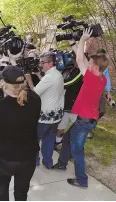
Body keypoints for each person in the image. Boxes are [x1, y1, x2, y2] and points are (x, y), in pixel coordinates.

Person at [53, 29, 109, 188]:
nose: (88, 63)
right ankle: (62, 164)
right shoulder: (102, 78)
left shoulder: (92, 79)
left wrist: (83, 39)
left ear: (96, 67)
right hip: (85, 120)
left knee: (77, 151)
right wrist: (73, 43)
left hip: (84, 122)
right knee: (66, 139)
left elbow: (79, 59)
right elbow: (82, 59)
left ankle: (82, 180)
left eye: (91, 63)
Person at [0, 66, 41, 201]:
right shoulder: (35, 101)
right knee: (21, 193)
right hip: (28, 157)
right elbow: (31, 93)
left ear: (3, 84)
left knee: (3, 186)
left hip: (6, 157)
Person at [26, 51, 65, 169]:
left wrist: (28, 79)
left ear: (51, 63)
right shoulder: (58, 74)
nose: (40, 65)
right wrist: (39, 75)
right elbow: (48, 84)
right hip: (56, 116)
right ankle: (47, 162)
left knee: (35, 139)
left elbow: (34, 93)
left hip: (45, 117)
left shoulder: (48, 78)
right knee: (49, 139)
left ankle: (35, 160)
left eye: (43, 62)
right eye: (40, 62)